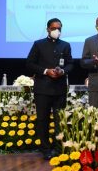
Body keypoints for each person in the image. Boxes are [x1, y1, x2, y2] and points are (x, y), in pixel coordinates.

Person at [26, 18, 73, 160]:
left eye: (59, 28)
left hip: (59, 89)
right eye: (54, 28)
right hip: (42, 89)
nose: (57, 31)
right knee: (43, 120)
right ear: (48, 29)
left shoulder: (65, 45)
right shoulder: (38, 44)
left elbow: (70, 64)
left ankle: (58, 148)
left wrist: (62, 71)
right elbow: (29, 63)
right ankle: (45, 149)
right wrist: (46, 71)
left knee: (59, 120)